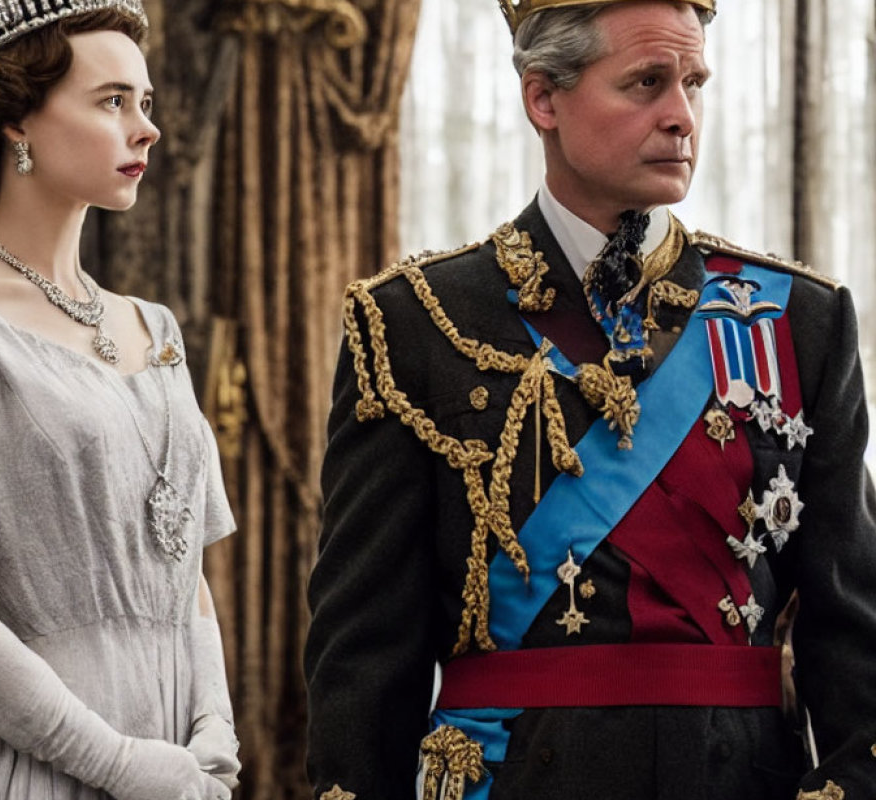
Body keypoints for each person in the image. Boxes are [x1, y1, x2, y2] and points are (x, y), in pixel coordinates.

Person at [304, 0, 876, 798]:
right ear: (545, 98)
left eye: (694, 82)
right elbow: (364, 649)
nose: (681, 117)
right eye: (646, 82)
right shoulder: (414, 322)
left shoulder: (798, 317)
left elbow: (855, 630)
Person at [0, 1, 240, 798]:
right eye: (113, 101)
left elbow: (189, 583)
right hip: (36, 769)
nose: (145, 128)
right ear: (17, 123)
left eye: (145, 104)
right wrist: (118, 766)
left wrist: (214, 728)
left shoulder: (157, 327)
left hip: (177, 770)